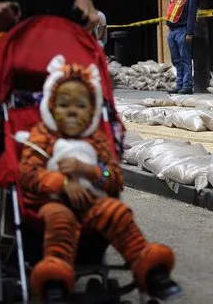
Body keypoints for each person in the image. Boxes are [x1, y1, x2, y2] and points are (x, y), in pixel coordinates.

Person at [19, 55, 176, 303]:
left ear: (92, 110)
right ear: (50, 106)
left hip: (93, 203)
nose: (72, 110)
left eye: (81, 105)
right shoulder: (42, 136)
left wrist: (92, 171)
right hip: (52, 204)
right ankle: (55, 282)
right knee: (61, 219)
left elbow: (113, 176)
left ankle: (151, 270)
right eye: (63, 104)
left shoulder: (96, 139)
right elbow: (29, 173)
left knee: (117, 211)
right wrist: (62, 182)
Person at [165, 0, 197, 95]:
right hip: (172, 31)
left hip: (182, 30)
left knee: (185, 59)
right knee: (176, 60)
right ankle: (179, 84)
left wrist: (189, 32)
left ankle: (187, 85)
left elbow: (191, 15)